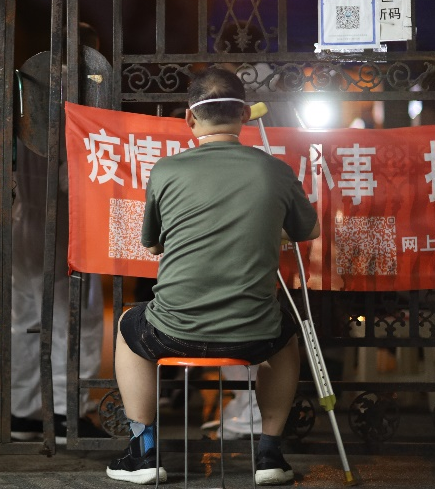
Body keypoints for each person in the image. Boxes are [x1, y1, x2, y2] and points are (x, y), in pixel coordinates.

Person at [105, 67, 320, 485]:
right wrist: (267, 229)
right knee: (286, 335)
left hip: (174, 331)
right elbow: (307, 231)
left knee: (129, 325)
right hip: (253, 334)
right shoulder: (274, 170)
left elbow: (153, 245)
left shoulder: (165, 171)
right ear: (244, 114)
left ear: (189, 118)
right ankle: (270, 455)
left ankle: (143, 453)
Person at [9, 125, 107, 443]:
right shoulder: (72, 114)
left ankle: (23, 413)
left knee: (26, 322)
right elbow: (71, 178)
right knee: (74, 321)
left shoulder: (22, 112)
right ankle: (67, 413)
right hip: (63, 221)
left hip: (23, 219)